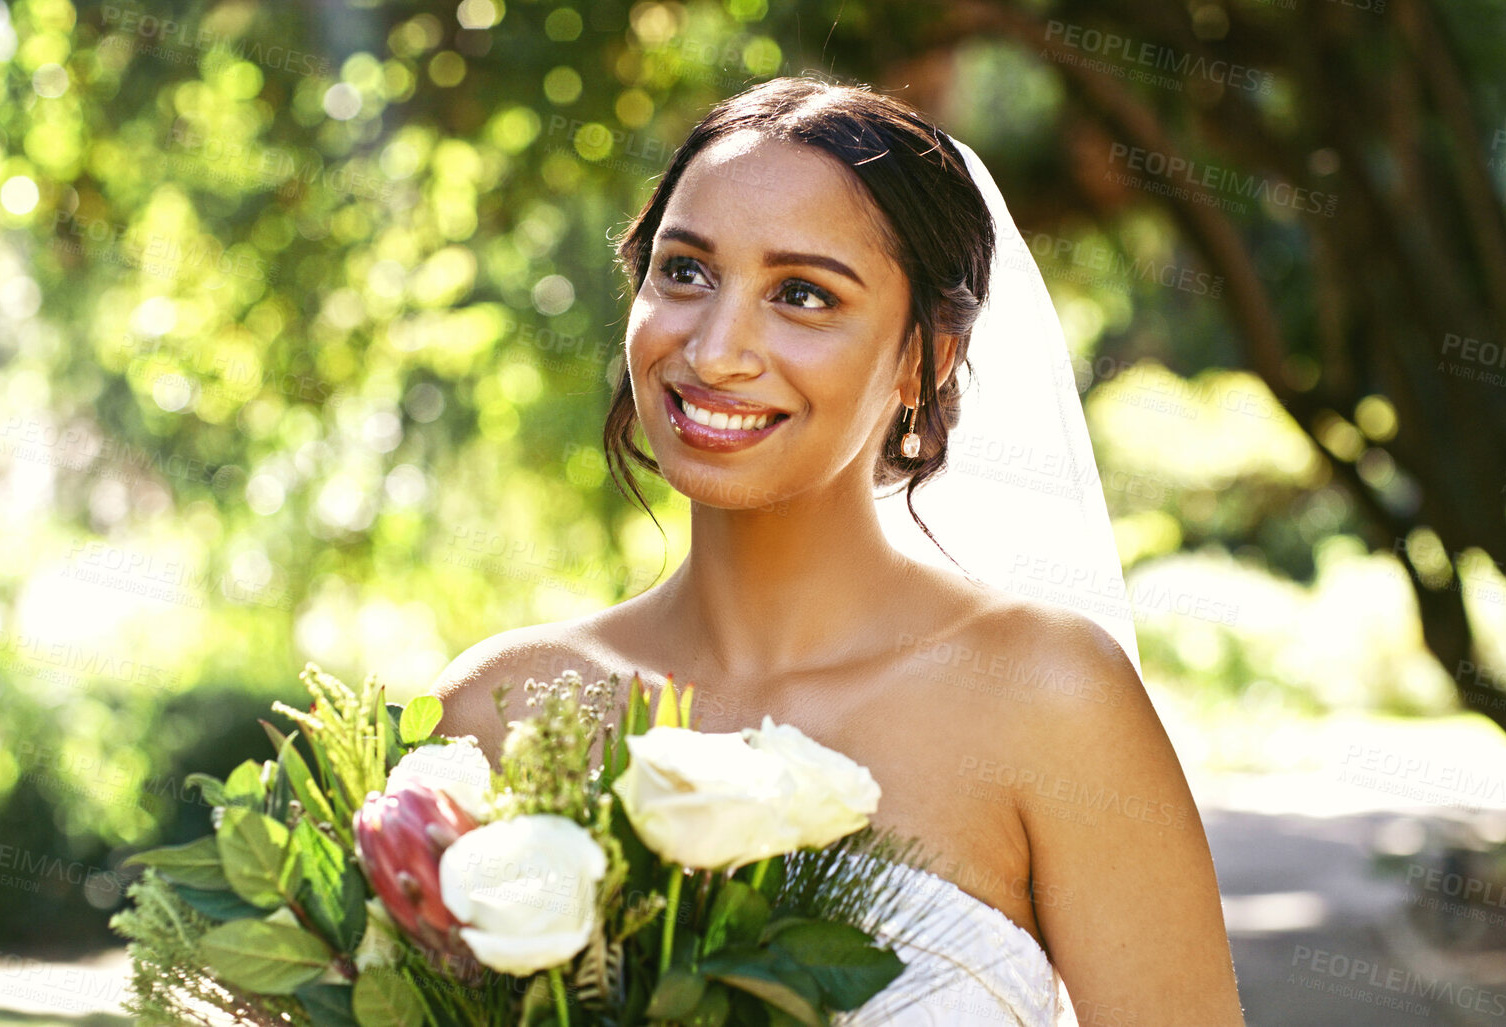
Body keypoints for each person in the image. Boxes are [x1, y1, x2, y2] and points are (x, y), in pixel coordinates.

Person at [433, 75, 1244, 1026]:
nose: (717, 350)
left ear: (925, 357)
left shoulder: (1047, 700)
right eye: (684, 271)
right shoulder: (503, 706)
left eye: (803, 294)